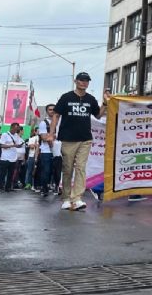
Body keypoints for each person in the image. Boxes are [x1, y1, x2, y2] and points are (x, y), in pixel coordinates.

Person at [50, 72, 102, 211]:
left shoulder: (90, 99)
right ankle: (66, 198)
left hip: (85, 138)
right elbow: (56, 114)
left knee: (80, 167)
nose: (84, 83)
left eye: (87, 81)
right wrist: (51, 133)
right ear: (76, 81)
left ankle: (77, 198)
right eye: (82, 80)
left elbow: (98, 115)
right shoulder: (66, 97)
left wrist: (106, 104)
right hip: (68, 138)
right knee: (67, 168)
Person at [0, 123, 24, 192]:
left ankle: (8, 187)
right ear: (11, 127)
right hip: (5, 158)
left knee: (11, 174)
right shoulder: (5, 135)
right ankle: (0, 186)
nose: (16, 130)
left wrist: (19, 145)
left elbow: (17, 145)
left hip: (13, 158)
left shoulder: (16, 136)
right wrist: (12, 145)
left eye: (17, 129)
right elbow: (1, 145)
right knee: (2, 173)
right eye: (15, 128)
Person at [35, 105, 56, 196]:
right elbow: (44, 138)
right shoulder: (44, 123)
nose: (52, 111)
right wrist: (52, 136)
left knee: (56, 172)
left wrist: (50, 136)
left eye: (53, 109)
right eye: (50, 110)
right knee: (46, 171)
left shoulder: (59, 122)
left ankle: (56, 188)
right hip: (46, 151)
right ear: (47, 111)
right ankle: (44, 189)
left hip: (58, 151)